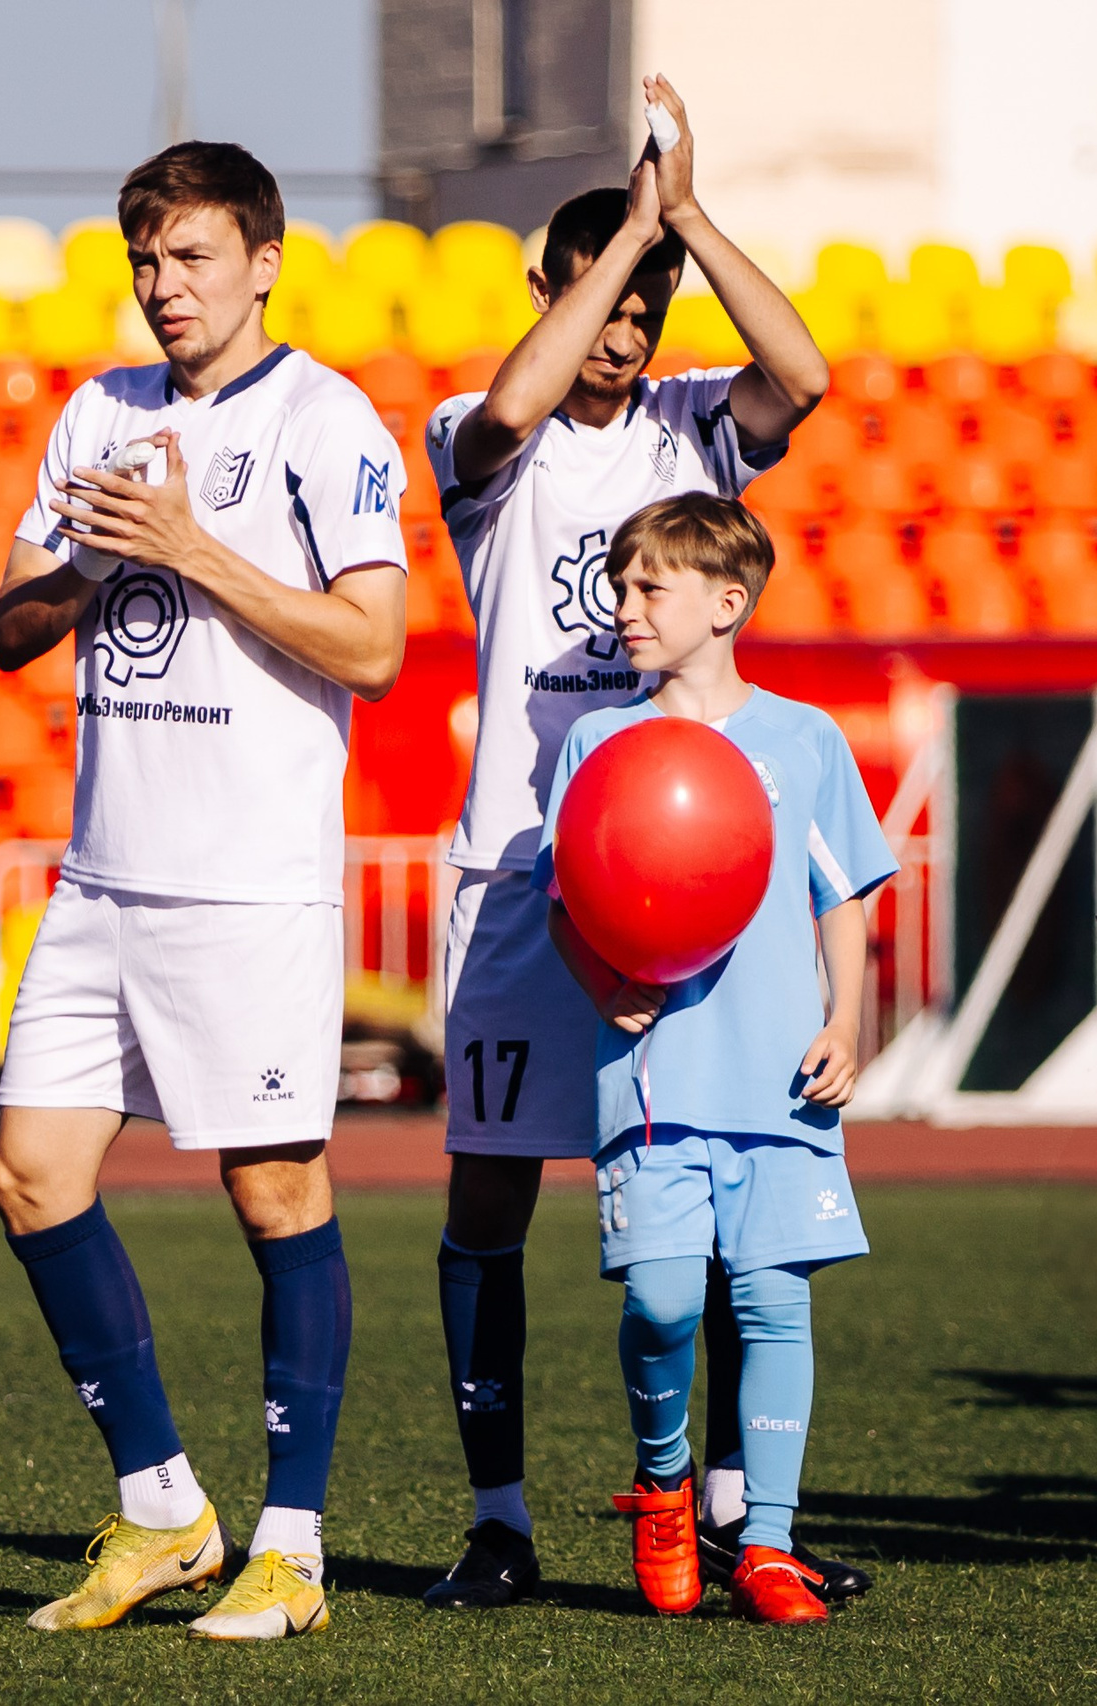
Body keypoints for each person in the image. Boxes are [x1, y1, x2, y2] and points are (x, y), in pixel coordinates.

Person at [416, 76, 867, 1610]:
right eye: (598, 298)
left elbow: (803, 373)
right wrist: (619, 236)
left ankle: (737, 1516)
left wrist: (686, 218)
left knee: (724, 1203)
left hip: (686, 891)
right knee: (490, 1202)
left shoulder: (695, 427)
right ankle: (499, 1520)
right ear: (544, 285)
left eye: (645, 309)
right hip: (521, 876)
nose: (623, 331)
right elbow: (514, 410)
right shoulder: (482, 433)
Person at [0, 140, 408, 1642]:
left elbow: (372, 647)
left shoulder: (323, 418)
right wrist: (92, 570)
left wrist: (189, 549)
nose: (166, 287)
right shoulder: (98, 411)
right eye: (146, 262)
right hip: (104, 876)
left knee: (273, 1186)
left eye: (193, 257)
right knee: (29, 1173)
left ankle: (292, 1548)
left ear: (265, 263)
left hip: (247, 884)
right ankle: (164, 1509)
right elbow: (6, 627)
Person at [537, 494, 892, 1624]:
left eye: (650, 587)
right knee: (659, 1300)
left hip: (781, 1082)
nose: (624, 606)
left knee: (776, 1304)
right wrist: (603, 987)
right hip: (653, 1084)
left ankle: (770, 1545)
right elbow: (562, 901)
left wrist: (846, 1022)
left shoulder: (806, 738)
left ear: (726, 602)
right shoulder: (598, 742)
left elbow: (843, 895)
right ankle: (663, 1483)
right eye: (620, 585)